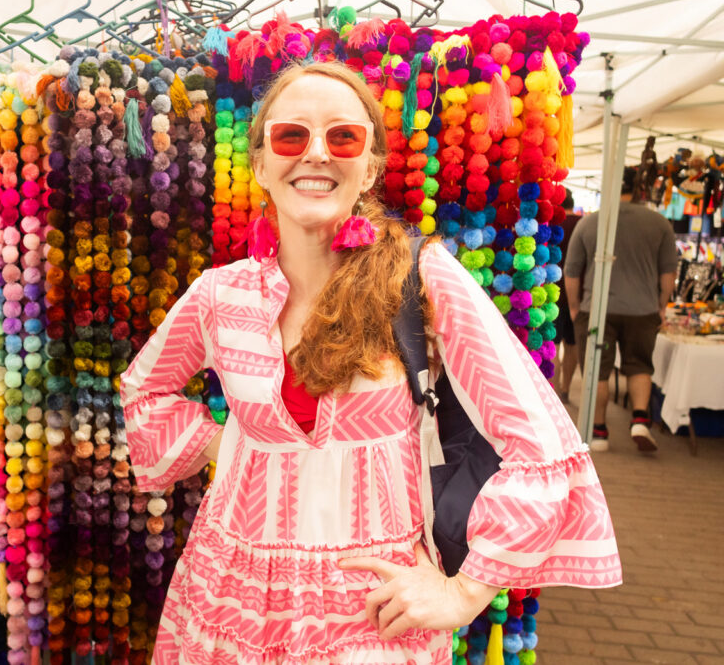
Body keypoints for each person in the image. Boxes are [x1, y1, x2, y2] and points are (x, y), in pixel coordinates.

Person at [121, 61, 620, 664]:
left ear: (370, 167)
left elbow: (541, 441)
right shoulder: (219, 296)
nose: (316, 155)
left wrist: (465, 593)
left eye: (342, 137)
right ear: (260, 163)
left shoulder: (422, 278)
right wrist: (221, 444)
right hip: (228, 599)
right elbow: (144, 391)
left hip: (373, 611)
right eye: (290, 136)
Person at [565, 167, 678, 452]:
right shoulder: (659, 223)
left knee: (597, 371)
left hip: (597, 308)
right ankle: (640, 418)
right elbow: (668, 274)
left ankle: (599, 431)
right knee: (640, 364)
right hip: (642, 309)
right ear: (640, 190)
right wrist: (661, 306)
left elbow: (572, 272)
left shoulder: (591, 223)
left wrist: (576, 308)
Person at [552, 190, 581, 401]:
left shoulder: (553, 225)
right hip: (578, 295)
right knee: (572, 345)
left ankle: (552, 390)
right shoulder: (584, 224)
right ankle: (566, 389)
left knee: (553, 345)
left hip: (553, 292)